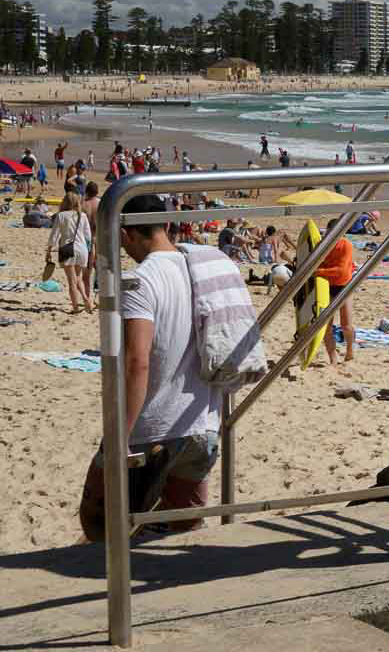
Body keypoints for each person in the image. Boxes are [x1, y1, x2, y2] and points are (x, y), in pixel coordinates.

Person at [77, 194, 224, 541]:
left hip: (153, 431)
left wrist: (118, 438)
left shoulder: (139, 281)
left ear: (126, 235)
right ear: (167, 224)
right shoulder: (202, 269)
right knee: (186, 530)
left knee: (98, 525)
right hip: (203, 423)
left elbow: (137, 362)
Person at [315, 220, 357, 366]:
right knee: (326, 326)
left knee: (346, 325)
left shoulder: (346, 245)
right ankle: (333, 359)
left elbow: (341, 271)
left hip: (344, 286)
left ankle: (350, 350)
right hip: (326, 286)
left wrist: (317, 272)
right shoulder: (322, 245)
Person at [48, 190, 93, 313]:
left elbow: (54, 235)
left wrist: (49, 250)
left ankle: (76, 307)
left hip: (67, 249)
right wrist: (89, 251)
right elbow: (88, 236)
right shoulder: (82, 216)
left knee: (71, 281)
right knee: (78, 278)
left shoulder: (61, 216)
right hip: (82, 249)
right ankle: (87, 300)